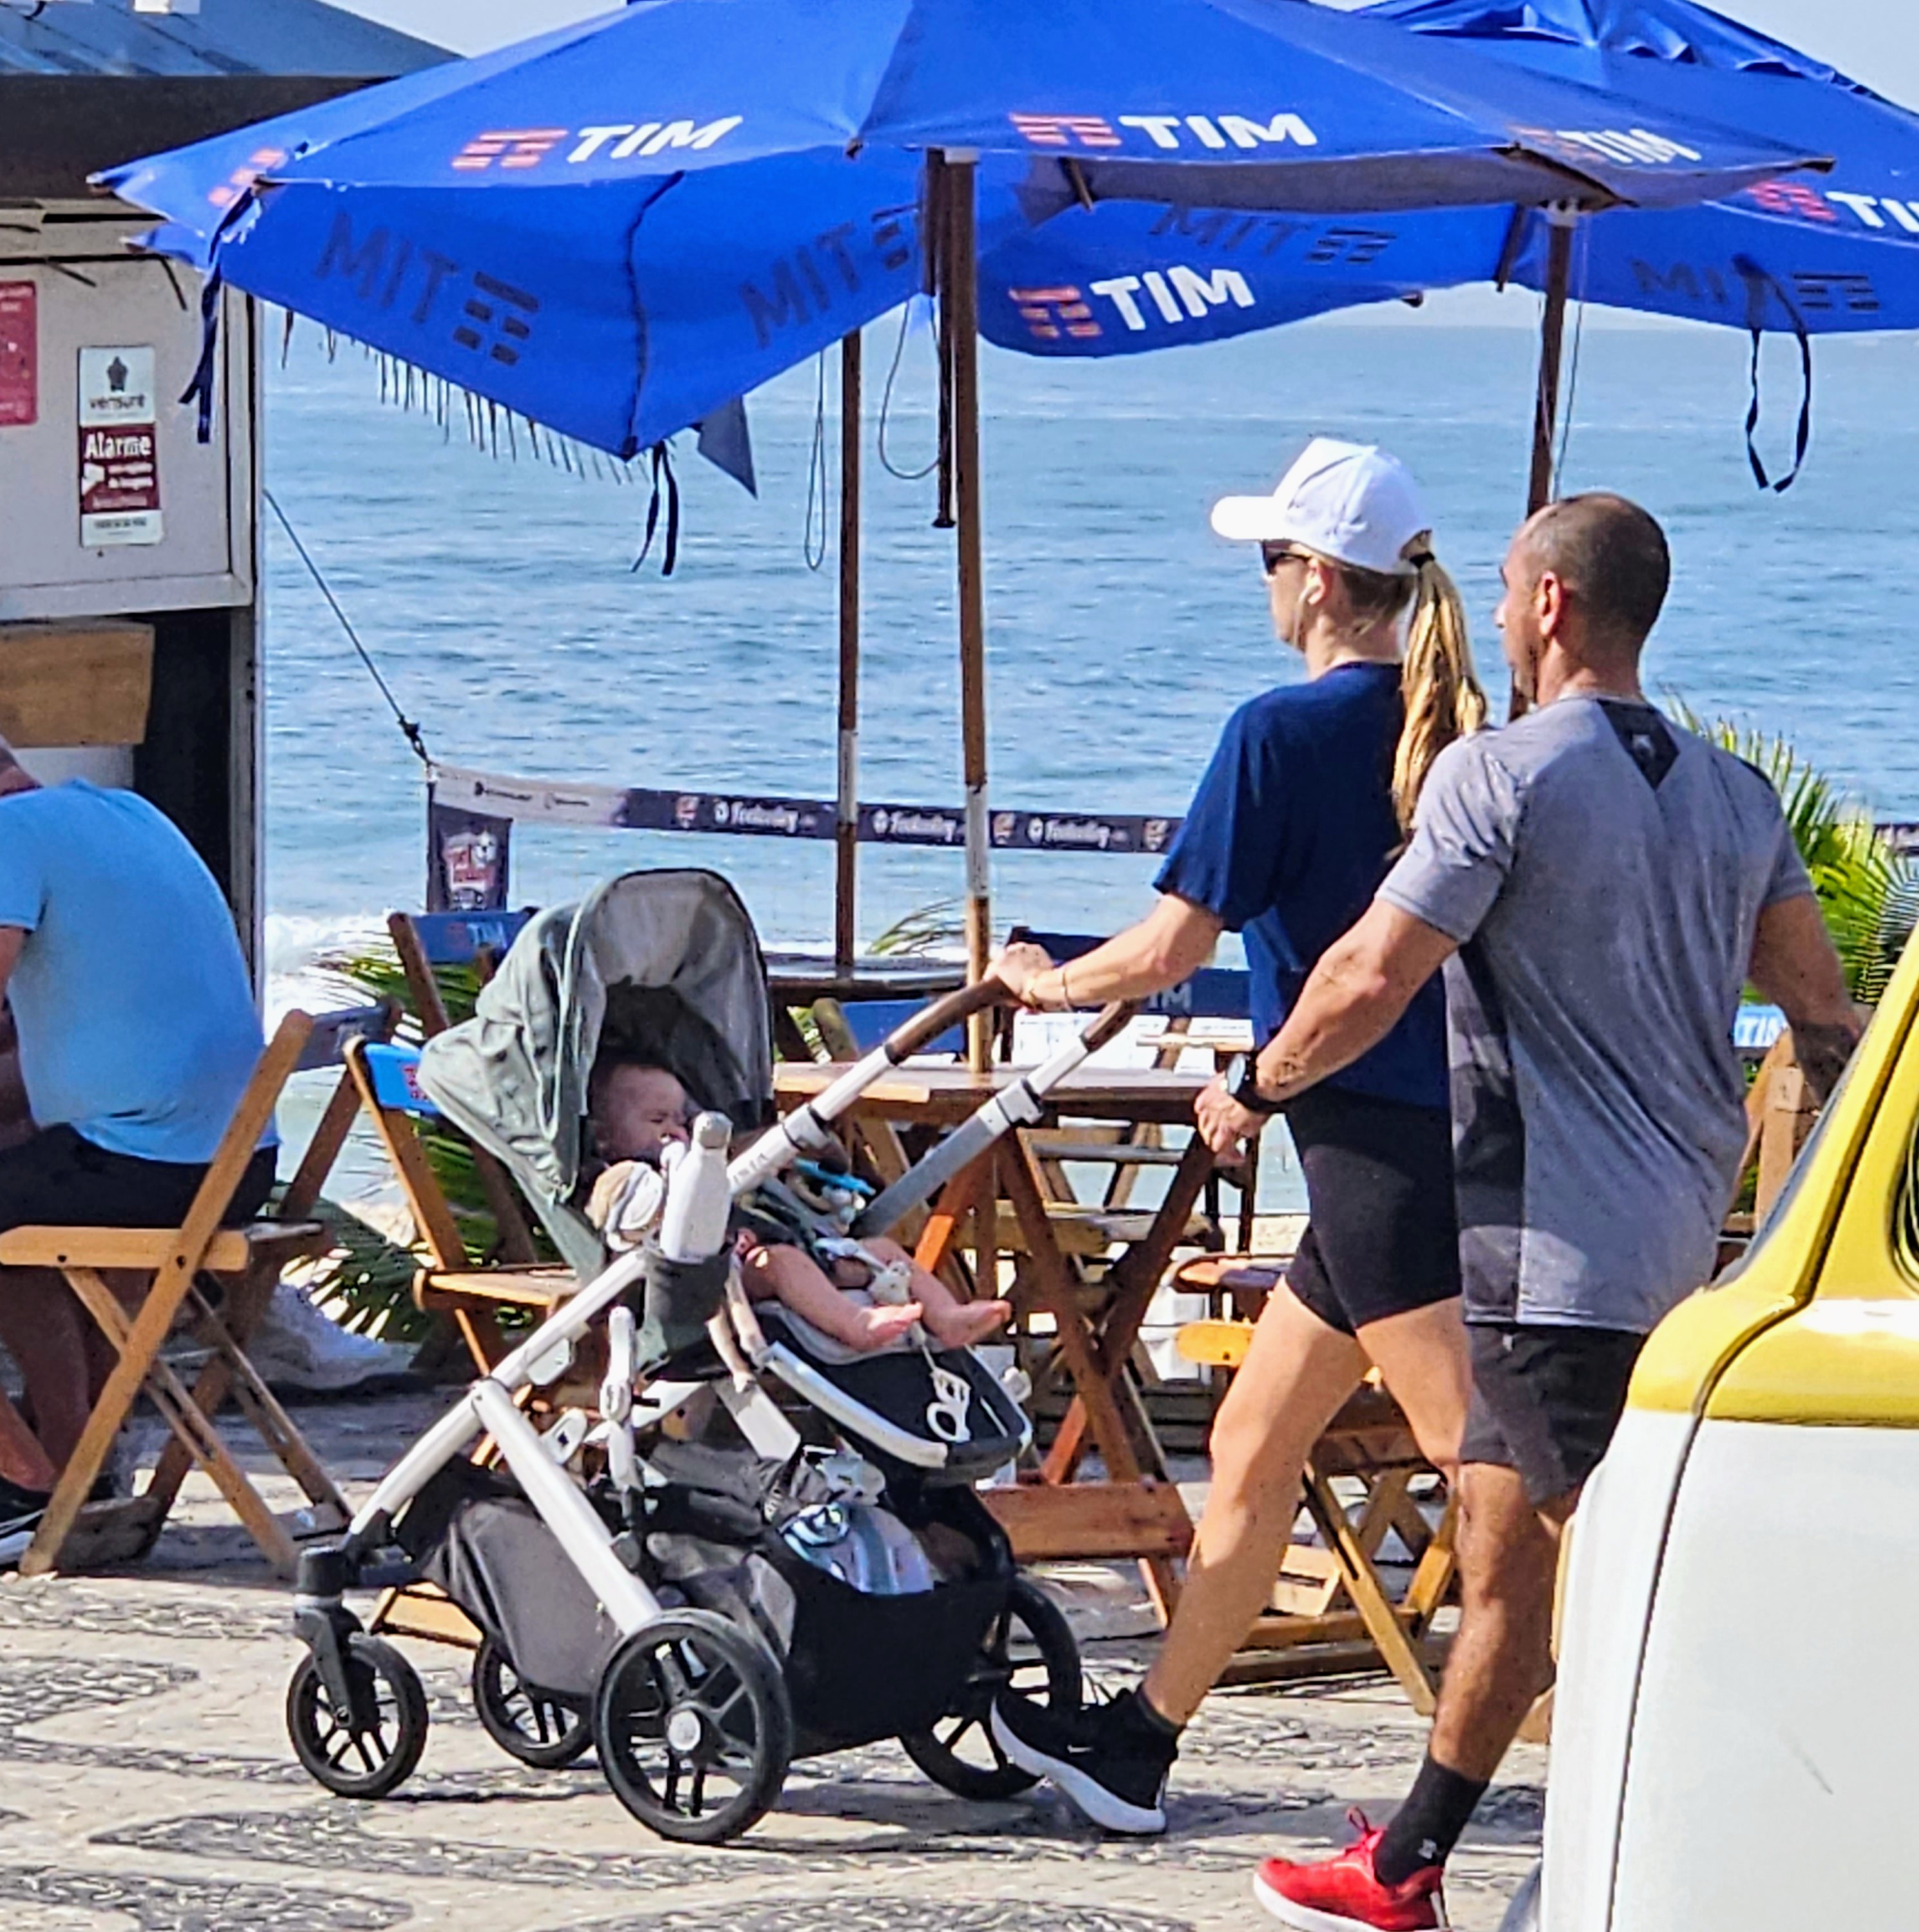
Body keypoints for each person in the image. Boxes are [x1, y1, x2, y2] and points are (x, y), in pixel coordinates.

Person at [1216, 494, 1861, 1932]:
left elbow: (1368, 975)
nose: (1495, 618)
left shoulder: (1493, 777)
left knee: (1649, 1575)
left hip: (1544, 1254)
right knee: (1500, 1565)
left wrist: (1258, 1088)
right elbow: (1822, 1022)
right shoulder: (1731, 800)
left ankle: (1825, 1809)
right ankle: (1402, 1873)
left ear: (1552, 607)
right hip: (1674, 1246)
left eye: (1508, 595)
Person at [990, 438, 1488, 1833]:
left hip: (1370, 1152)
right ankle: (1138, 1747)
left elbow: (1166, 947)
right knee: (1257, 1452)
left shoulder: (1276, 735)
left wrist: (1045, 984)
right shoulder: (1458, 738)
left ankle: (1661, 1699)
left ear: (1320, 581)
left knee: (1484, 1471)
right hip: (1421, 1140)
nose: (1261, 584)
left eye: (1272, 560)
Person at [0, 743, 276, 1533]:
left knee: (24, 1211)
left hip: (152, 1166)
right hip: (235, 1162)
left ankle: (25, 1483)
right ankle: (78, 1452)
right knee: (24, 1216)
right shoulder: (126, 814)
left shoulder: (11, 835)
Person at [585, 1059, 1010, 1354]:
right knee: (784, 1264)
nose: (676, 1132)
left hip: (798, 1249)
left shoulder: (704, 1158)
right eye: (658, 1122)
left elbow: (745, 1161)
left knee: (882, 1250)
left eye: (681, 1119)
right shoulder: (630, 1179)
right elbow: (628, 1226)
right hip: (711, 1277)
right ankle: (855, 1325)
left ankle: (947, 1315)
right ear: (605, 1136)